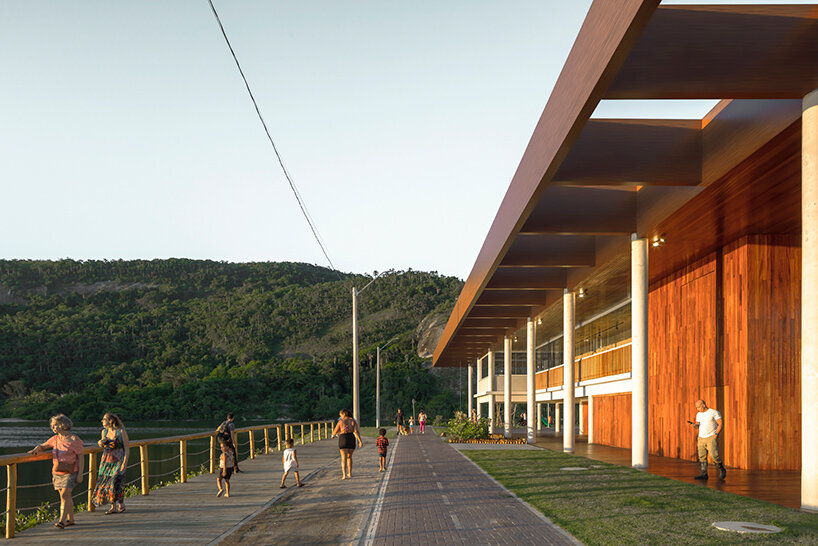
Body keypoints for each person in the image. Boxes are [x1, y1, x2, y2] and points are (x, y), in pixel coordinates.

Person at [29, 414, 84, 529]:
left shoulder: (75, 440)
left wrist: (80, 474)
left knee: (65, 495)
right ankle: (71, 519)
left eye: (55, 425)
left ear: (63, 425)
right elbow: (44, 446)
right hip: (57, 472)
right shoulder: (55, 439)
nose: (52, 428)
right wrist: (38, 447)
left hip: (71, 472)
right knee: (66, 497)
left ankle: (61, 521)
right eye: (52, 426)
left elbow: (81, 458)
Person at [92, 413, 129, 514]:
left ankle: (121, 504)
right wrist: (100, 442)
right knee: (107, 483)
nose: (102, 421)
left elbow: (126, 448)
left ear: (111, 420)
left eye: (104, 419)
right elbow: (102, 445)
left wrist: (125, 462)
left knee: (116, 481)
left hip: (118, 461)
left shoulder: (121, 432)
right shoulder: (104, 432)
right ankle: (113, 507)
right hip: (106, 461)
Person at [688, 399, 726, 481]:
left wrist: (716, 434)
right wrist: (694, 425)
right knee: (702, 456)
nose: (697, 409)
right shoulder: (698, 414)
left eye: (698, 407)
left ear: (703, 405)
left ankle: (722, 469)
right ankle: (704, 474)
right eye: (696, 407)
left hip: (711, 437)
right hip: (701, 438)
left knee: (714, 456)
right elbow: (698, 425)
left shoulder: (713, 412)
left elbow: (720, 423)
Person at [331, 409, 363, 479]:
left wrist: (332, 435)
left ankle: (344, 475)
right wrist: (360, 441)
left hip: (343, 438)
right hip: (351, 438)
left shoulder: (340, 422)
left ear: (344, 414)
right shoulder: (353, 421)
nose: (340, 416)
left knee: (343, 458)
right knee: (349, 457)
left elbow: (335, 431)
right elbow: (356, 432)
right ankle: (350, 473)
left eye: (341, 415)